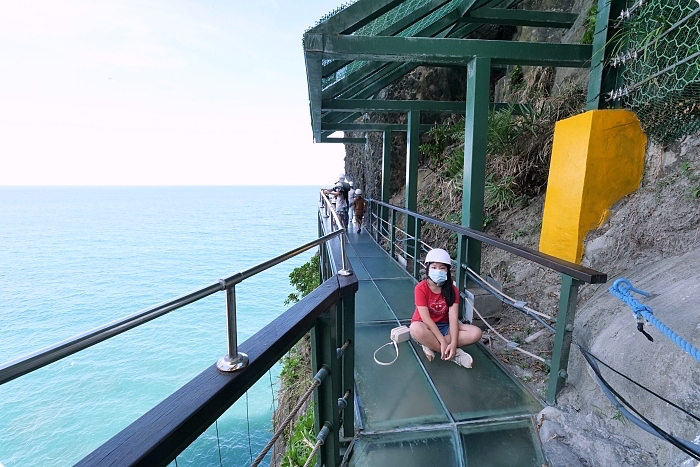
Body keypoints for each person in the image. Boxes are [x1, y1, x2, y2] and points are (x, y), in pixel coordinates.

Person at [409, 248, 482, 368]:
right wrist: (443, 341)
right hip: (425, 326)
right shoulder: (421, 288)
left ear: (447, 270)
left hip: (444, 326)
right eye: (433, 267)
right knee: (415, 328)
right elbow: (426, 318)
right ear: (427, 268)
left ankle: (430, 344)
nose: (438, 271)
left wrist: (453, 343)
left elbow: (453, 318)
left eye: (442, 268)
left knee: (475, 332)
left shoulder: (452, 290)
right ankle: (454, 355)